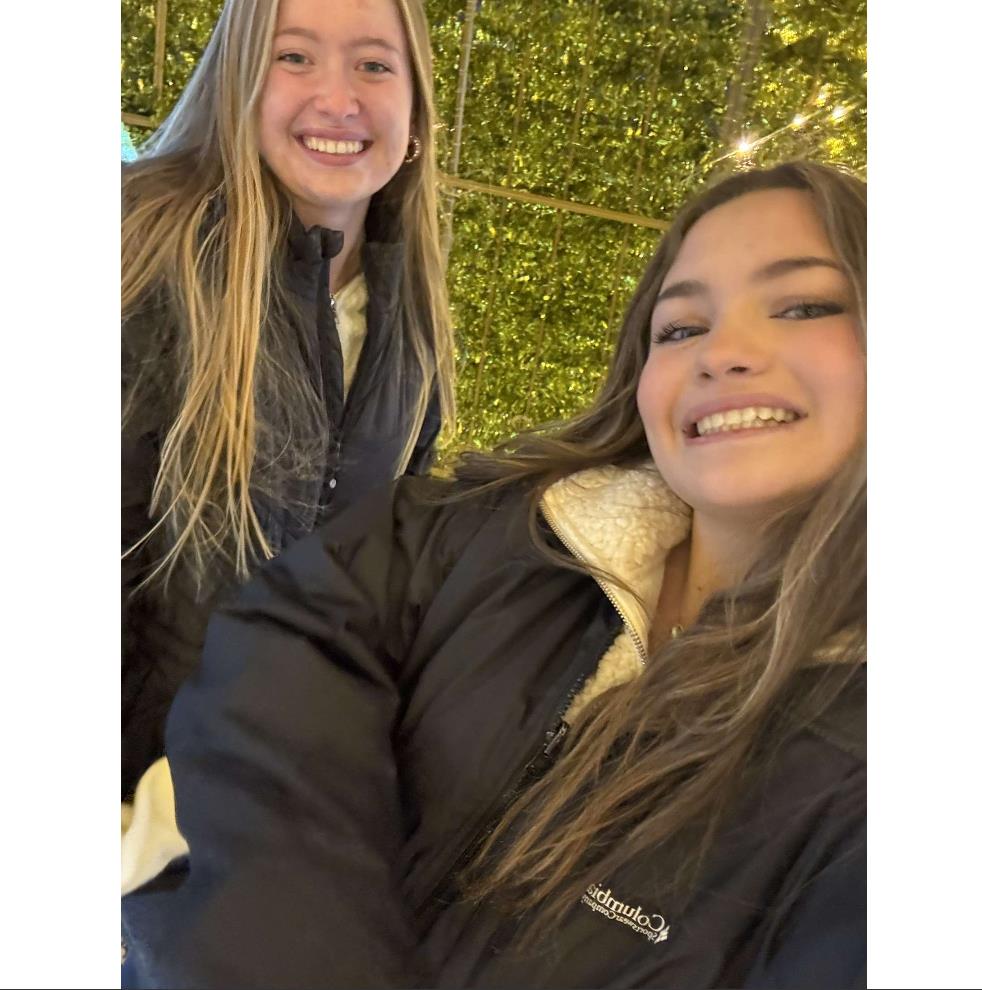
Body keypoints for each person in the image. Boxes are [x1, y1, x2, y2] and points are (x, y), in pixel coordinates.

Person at [122, 160, 866, 989]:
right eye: (681, 327)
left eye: (806, 307)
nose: (723, 353)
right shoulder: (475, 535)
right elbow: (273, 671)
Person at [121, 0, 455, 805]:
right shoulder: (139, 250)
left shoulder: (414, 328)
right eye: (294, 57)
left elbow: (384, 582)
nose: (338, 99)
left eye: (374, 65)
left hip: (269, 805)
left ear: (415, 117)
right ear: (239, 79)